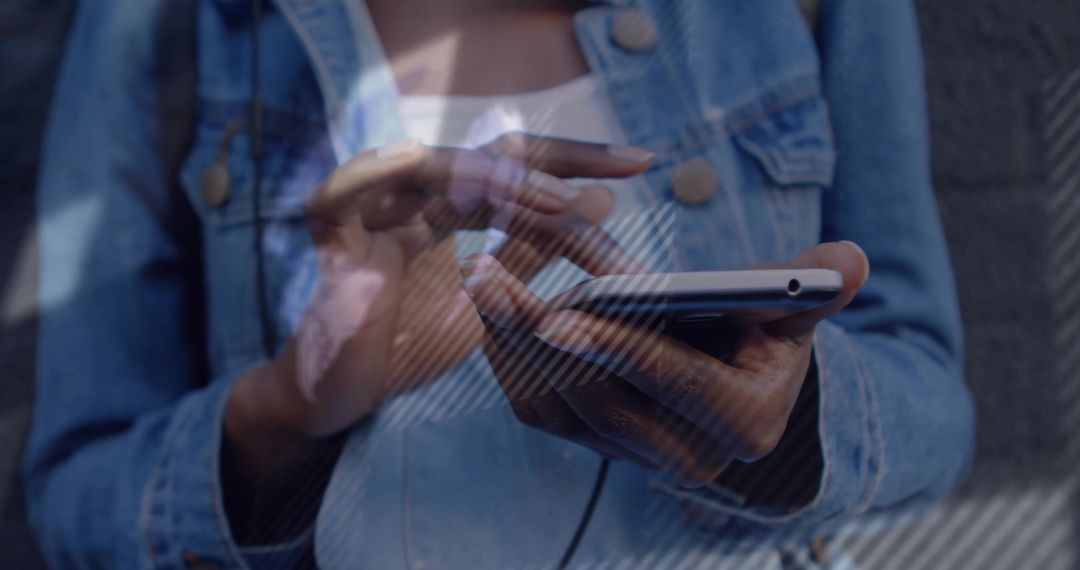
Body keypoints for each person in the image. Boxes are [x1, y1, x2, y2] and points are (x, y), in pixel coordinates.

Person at [24, 0, 975, 567]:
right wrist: (287, 407)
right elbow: (74, 496)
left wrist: (785, 423)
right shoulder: (175, 22)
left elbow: (935, 406)